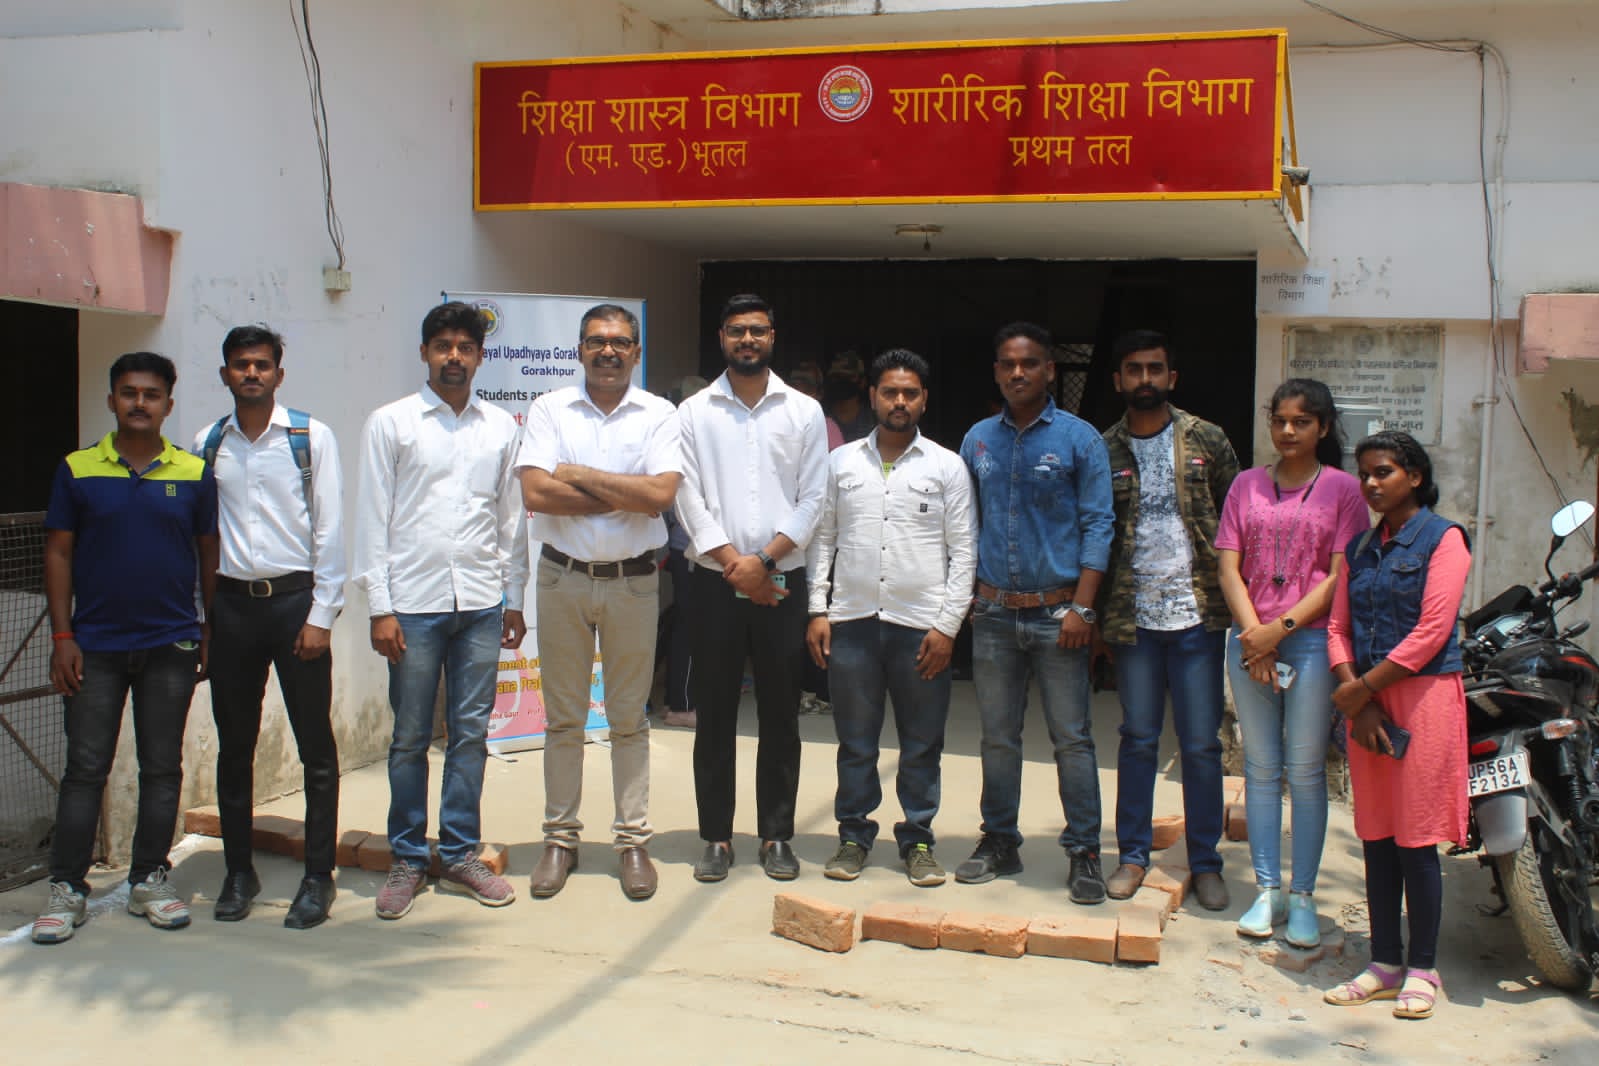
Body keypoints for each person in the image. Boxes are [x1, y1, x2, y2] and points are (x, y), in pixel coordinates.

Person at [32, 352, 218, 944]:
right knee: (86, 769)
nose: (140, 402)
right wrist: (63, 637)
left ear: (167, 404)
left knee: (162, 767)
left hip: (170, 643)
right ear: (112, 400)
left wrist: (208, 627)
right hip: (95, 647)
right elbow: (58, 552)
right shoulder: (78, 469)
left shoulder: (193, 472)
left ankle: (149, 880)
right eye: (129, 393)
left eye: (151, 394)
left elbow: (208, 552)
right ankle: (67, 889)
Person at [355, 301, 528, 920]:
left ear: (480, 357)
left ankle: (457, 852)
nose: (454, 357)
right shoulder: (392, 423)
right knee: (408, 738)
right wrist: (380, 607)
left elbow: (511, 520)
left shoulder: (500, 427)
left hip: (480, 602)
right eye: (443, 346)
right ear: (425, 353)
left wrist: (513, 598)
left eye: (465, 347)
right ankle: (407, 856)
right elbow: (372, 518)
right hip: (413, 605)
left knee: (471, 734)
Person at [517, 304, 682, 902]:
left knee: (628, 720)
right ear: (579, 349)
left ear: (636, 351)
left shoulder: (659, 414)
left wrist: (577, 473)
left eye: (619, 342)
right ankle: (560, 840)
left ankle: (632, 842)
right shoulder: (550, 409)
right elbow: (537, 492)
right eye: (596, 341)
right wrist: (623, 492)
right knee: (562, 719)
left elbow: (659, 496)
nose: (607, 351)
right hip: (561, 579)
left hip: (633, 583)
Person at [956, 322, 1114, 904]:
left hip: (1059, 615)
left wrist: (1083, 609)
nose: (1017, 372)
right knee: (998, 737)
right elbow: (963, 524)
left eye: (1028, 363)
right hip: (995, 613)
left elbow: (1099, 524)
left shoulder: (1079, 439)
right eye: (1007, 364)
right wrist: (967, 596)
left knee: (1071, 738)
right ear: (996, 372)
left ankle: (1084, 852)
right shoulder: (977, 440)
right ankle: (1000, 840)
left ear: (1050, 369)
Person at [806, 349, 976, 887]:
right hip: (852, 623)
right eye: (889, 392)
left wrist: (947, 627)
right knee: (856, 742)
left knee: (922, 744)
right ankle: (854, 836)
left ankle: (918, 839)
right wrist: (817, 608)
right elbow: (823, 538)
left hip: (921, 629)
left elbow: (964, 552)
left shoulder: (946, 466)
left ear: (924, 400)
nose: (899, 401)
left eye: (909, 393)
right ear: (873, 396)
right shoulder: (841, 463)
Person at [197, 325, 345, 929]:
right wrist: (206, 618)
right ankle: (239, 872)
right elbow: (203, 536)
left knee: (315, 748)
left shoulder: (309, 438)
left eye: (262, 364)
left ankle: (318, 876)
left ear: (279, 374)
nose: (251, 373)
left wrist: (322, 614)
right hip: (232, 609)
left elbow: (330, 529)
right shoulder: (209, 443)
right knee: (235, 747)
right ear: (225, 374)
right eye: (241, 364)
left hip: (294, 605)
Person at [676, 293, 828, 882]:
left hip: (781, 582)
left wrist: (763, 561)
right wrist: (734, 564)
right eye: (737, 330)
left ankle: (776, 835)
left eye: (757, 330)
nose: (747, 339)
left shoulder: (804, 411)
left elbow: (814, 499)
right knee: (714, 713)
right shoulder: (693, 412)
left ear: (772, 337)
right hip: (714, 584)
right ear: (721, 338)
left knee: (780, 714)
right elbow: (686, 495)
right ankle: (715, 836)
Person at [1322, 431, 1469, 1020]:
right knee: (1377, 833)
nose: (1371, 483)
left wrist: (1361, 690)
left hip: (1423, 697)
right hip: (1366, 702)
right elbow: (1338, 627)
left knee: (1415, 837)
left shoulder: (1444, 539)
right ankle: (1384, 962)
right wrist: (1356, 698)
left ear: (1414, 475)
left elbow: (1433, 631)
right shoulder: (1359, 547)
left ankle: (1423, 967)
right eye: (1364, 473)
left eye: (1383, 472)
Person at [1216, 379, 1368, 947]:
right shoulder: (1246, 484)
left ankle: (1302, 895)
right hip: (1248, 639)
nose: (1287, 431)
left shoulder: (1344, 490)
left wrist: (1276, 632)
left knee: (1304, 772)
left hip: (1309, 642)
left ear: (1322, 428)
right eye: (1279, 420)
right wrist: (1253, 636)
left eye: (1301, 422)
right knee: (1259, 768)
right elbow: (1229, 567)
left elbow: (1338, 576)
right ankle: (1266, 890)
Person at [1096, 330, 1239, 911]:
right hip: (1134, 620)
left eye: (1155, 368)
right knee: (1137, 740)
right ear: (1119, 379)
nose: (1145, 379)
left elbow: (1236, 523)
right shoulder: (1102, 448)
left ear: (1171, 378)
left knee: (1201, 745)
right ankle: (1132, 856)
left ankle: (1205, 863)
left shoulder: (1208, 438)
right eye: (1134, 369)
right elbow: (1095, 531)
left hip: (1198, 617)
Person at [824, 352, 876, 443]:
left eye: (848, 377)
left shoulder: (875, 420)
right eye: (836, 377)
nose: (841, 381)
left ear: (862, 381)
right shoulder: (820, 416)